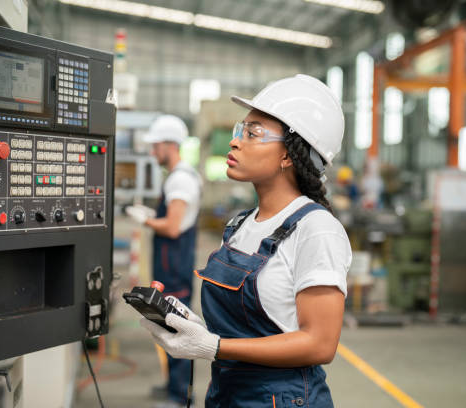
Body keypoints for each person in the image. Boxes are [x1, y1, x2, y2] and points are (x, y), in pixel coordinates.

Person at [140, 75, 352, 408]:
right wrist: (193, 329)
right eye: (241, 130)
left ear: (288, 155)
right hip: (227, 393)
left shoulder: (316, 229)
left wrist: (215, 347)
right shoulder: (240, 224)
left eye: (252, 134)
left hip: (282, 399)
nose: (235, 142)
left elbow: (320, 345)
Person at [125, 114, 202, 407]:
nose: (152, 152)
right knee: (168, 324)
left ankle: (180, 396)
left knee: (176, 327)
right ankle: (174, 387)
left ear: (170, 145)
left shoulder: (181, 179)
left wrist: (146, 220)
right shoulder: (182, 176)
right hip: (173, 264)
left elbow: (172, 225)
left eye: (156, 146)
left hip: (175, 266)